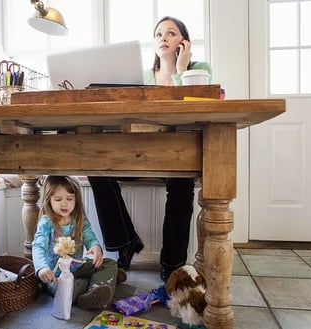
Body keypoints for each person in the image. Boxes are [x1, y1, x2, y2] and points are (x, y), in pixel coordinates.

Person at [88, 16, 212, 282]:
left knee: (182, 183)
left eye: (171, 33)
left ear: (184, 41)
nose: (163, 38)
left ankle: (172, 263)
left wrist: (179, 71)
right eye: (158, 34)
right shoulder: (141, 77)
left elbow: (198, 110)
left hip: (176, 155)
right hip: (140, 152)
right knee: (96, 170)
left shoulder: (199, 69)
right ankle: (125, 242)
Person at [32, 175, 119, 311]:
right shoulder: (46, 222)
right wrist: (42, 267)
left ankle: (96, 286)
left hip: (77, 267)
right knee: (66, 292)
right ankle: (97, 284)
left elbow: (90, 237)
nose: (64, 203)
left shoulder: (79, 219)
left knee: (110, 263)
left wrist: (95, 247)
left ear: (76, 200)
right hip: (55, 276)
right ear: (49, 200)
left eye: (69, 199)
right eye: (58, 199)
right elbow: (38, 246)